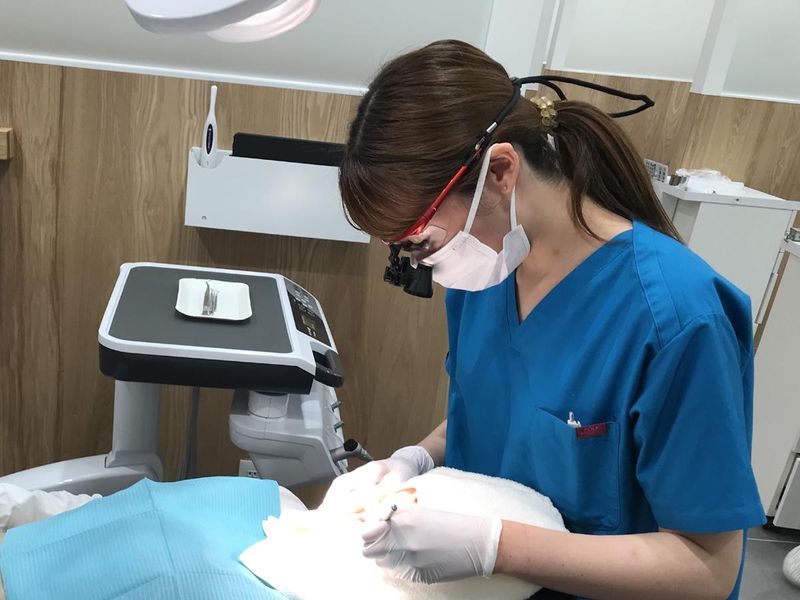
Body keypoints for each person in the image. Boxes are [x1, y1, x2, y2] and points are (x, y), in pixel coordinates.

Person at [323, 40, 765, 600]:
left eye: (422, 242)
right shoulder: (487, 275)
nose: (425, 265)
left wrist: (496, 547)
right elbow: (502, 417)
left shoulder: (678, 318)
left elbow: (707, 569)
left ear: (501, 171)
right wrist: (414, 459)